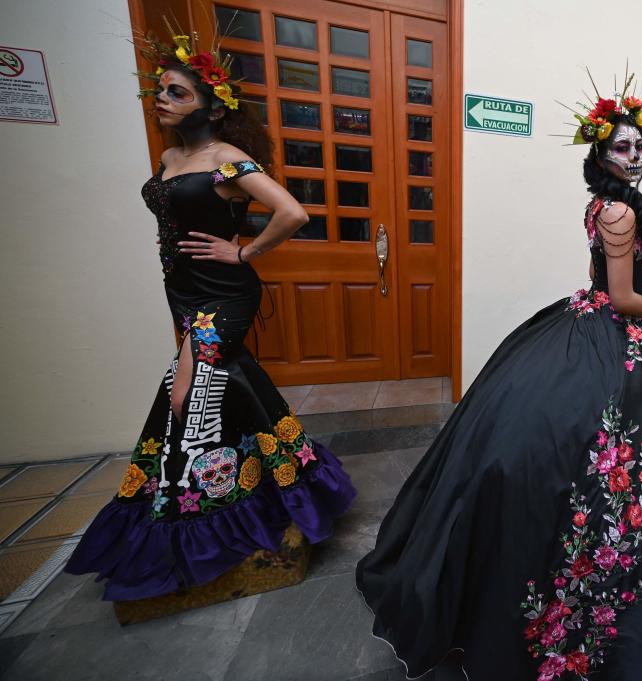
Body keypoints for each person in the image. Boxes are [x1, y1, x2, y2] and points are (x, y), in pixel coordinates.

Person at [356, 73, 642, 680]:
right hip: (616, 331)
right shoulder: (619, 211)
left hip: (595, 316)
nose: (635, 156)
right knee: (623, 455)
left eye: (640, 145)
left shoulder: (609, 206)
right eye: (622, 147)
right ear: (600, 154)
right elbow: (624, 298)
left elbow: (619, 280)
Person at [65, 30, 355, 600]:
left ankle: (204, 513)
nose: (163, 99)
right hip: (186, 293)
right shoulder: (172, 157)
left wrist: (245, 251)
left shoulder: (225, 163)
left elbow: (291, 212)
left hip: (224, 294)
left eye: (176, 92)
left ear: (212, 103)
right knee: (234, 387)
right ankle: (282, 487)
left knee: (185, 395)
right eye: (160, 90)